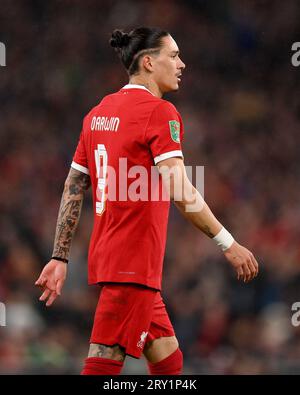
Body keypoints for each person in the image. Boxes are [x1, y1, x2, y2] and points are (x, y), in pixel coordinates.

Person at [35, 27, 259, 375]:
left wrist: (59, 256)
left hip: (117, 260)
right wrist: (227, 243)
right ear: (149, 63)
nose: (182, 64)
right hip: (132, 266)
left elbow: (74, 186)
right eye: (174, 56)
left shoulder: (96, 114)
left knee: (169, 362)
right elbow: (181, 190)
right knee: (103, 364)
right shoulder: (160, 112)